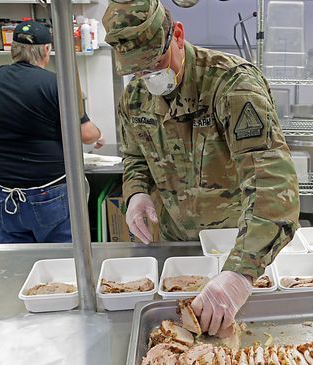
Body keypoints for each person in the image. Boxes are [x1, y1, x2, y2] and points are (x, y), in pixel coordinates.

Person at [103, 0, 300, 336]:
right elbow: (136, 156)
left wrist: (240, 275)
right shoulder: (134, 97)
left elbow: (272, 183)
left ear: (178, 35)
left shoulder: (232, 85)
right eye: (138, 70)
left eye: (156, 63)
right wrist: (136, 193)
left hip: (238, 247)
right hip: (176, 248)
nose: (148, 77)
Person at [0, 20, 105, 243]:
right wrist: (99, 134)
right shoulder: (55, 83)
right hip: (47, 192)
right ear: (46, 50)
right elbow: (86, 134)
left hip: (2, 191)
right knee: (60, 261)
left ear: (13, 49)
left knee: (19, 262)